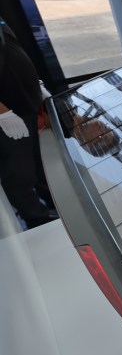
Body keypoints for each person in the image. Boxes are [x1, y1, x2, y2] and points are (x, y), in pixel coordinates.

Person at [0, 17, 58, 229]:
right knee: (19, 172)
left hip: (26, 104)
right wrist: (3, 114)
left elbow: (12, 51)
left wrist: (36, 85)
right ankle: (37, 220)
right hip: (8, 115)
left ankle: (56, 206)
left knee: (38, 164)